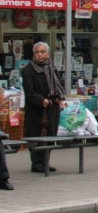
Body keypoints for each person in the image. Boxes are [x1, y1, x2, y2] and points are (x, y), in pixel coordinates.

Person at [21, 41, 65, 173]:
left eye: (42, 52)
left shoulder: (51, 68)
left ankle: (45, 162)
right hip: (36, 109)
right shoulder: (28, 70)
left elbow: (57, 86)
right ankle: (37, 163)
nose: (39, 55)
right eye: (37, 52)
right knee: (36, 134)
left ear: (48, 54)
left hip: (51, 107)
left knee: (50, 134)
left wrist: (58, 99)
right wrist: (42, 100)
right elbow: (30, 92)